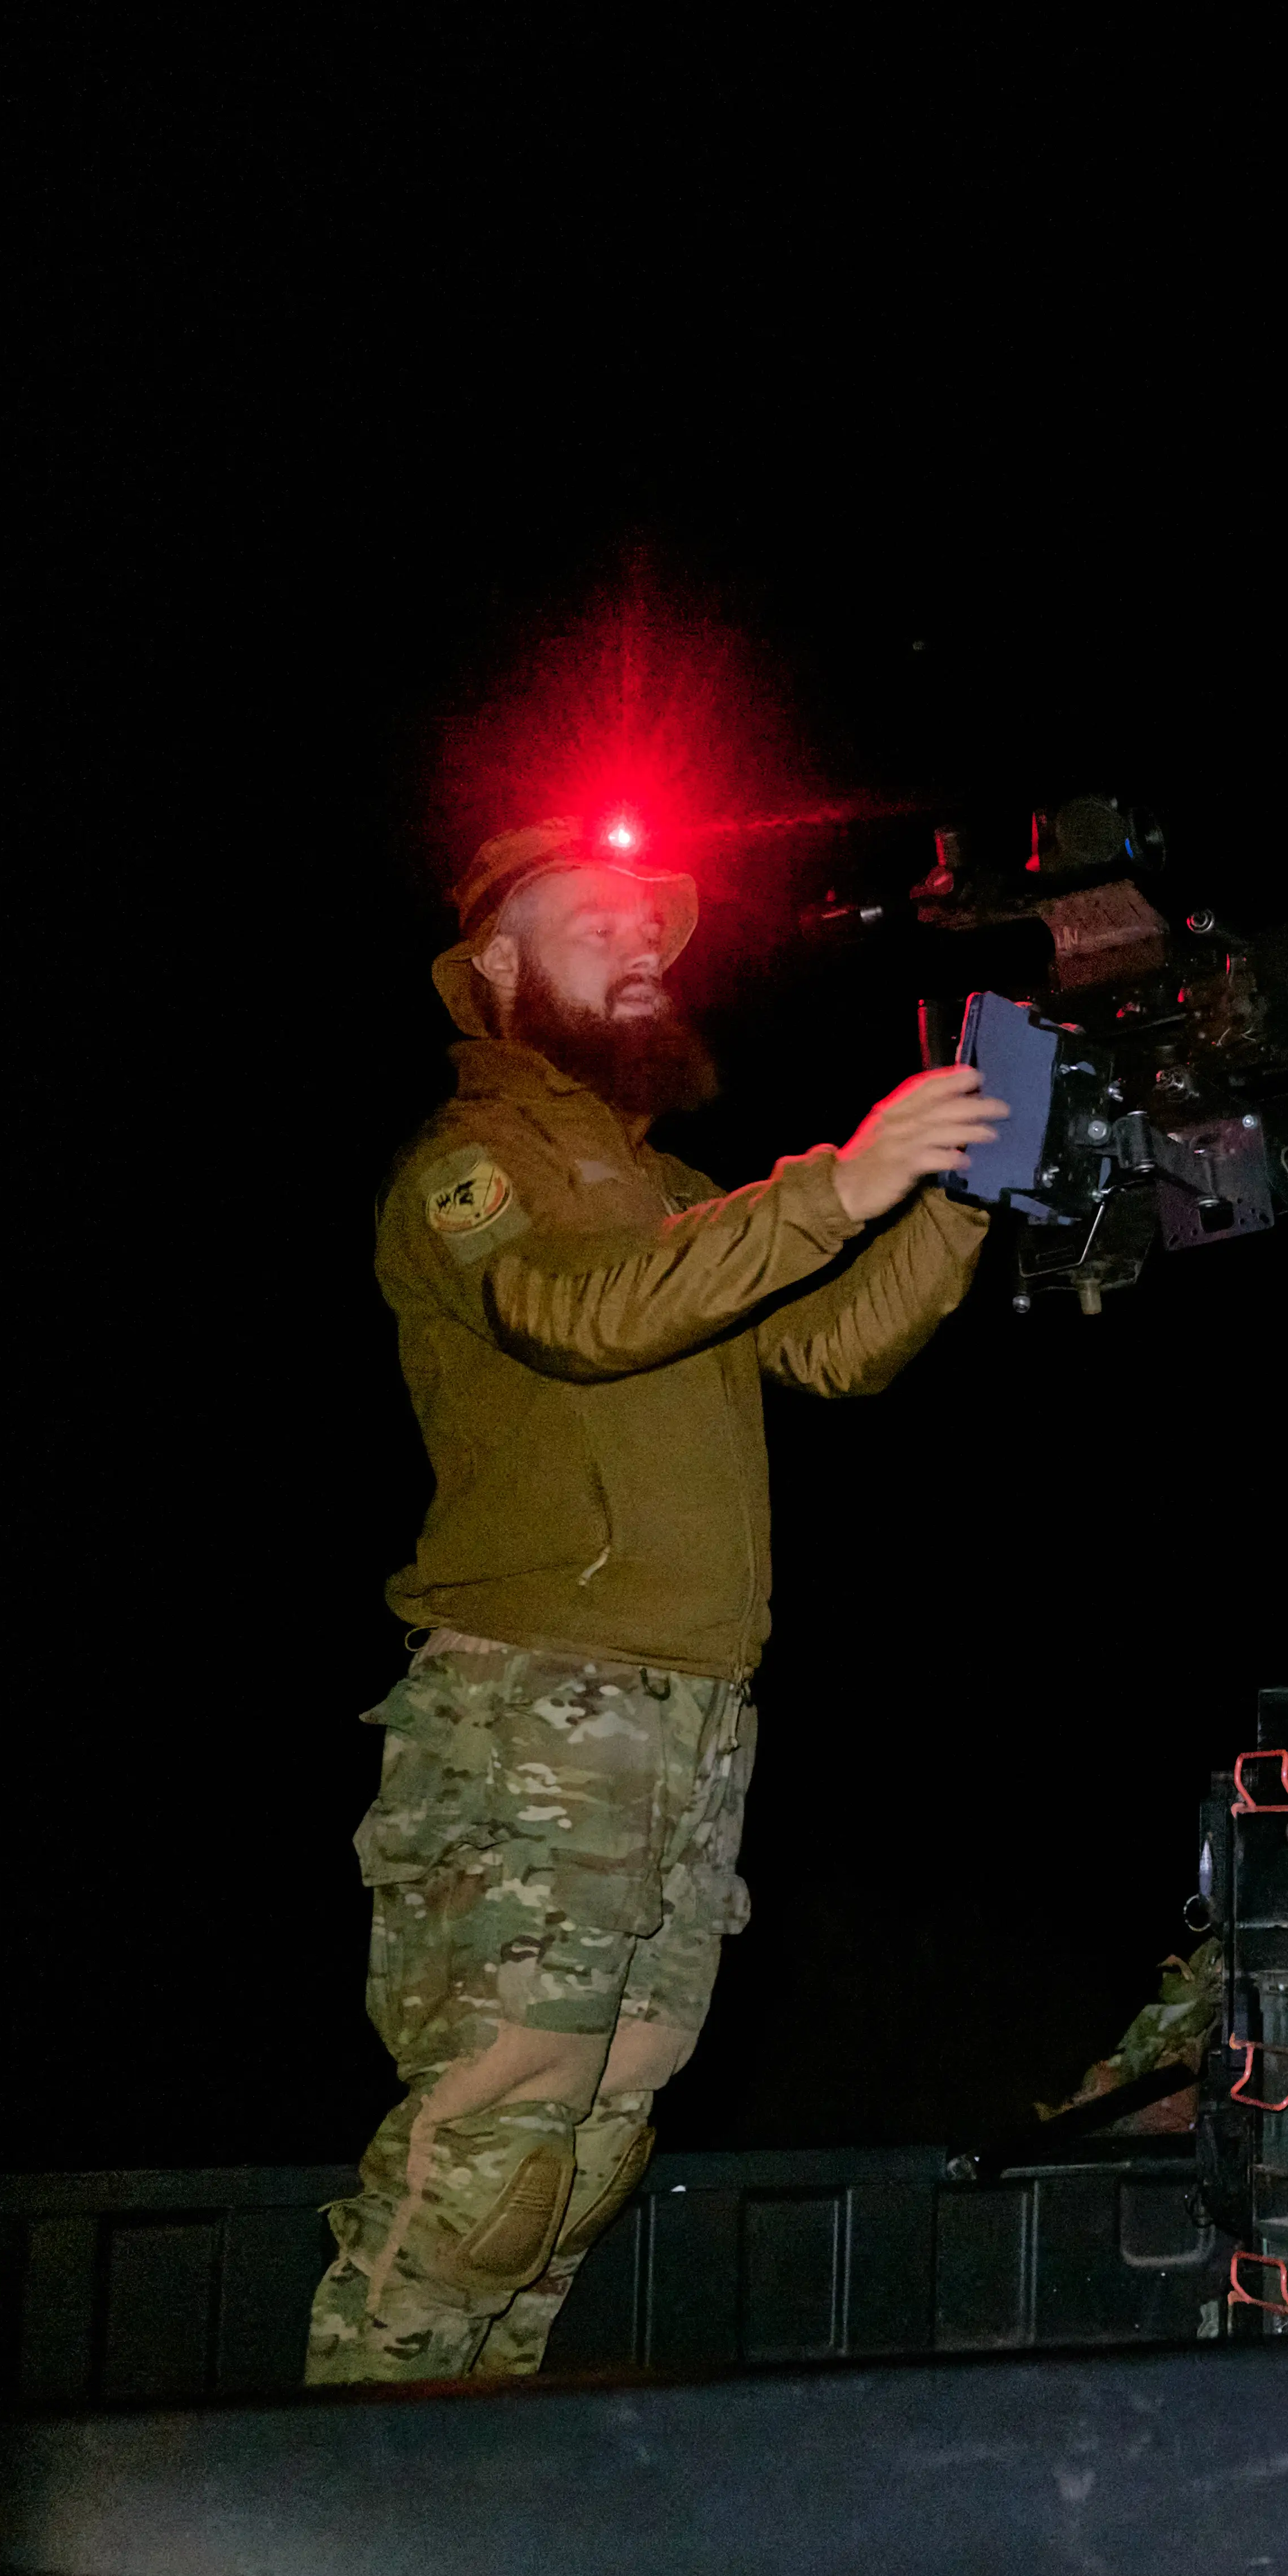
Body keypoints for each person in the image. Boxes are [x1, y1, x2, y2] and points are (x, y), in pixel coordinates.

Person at [305, 817, 1009, 2383]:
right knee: (496, 2140)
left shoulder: (667, 1187)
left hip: (688, 1706)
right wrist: (841, 1178)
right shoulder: (468, 1167)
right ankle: (345, 2469)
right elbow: (578, 1313)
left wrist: (961, 1188)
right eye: (596, 922)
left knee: (601, 2126)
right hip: (538, 1699)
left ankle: (467, 2471)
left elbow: (831, 1345)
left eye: (655, 929)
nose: (642, 949)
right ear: (497, 965)